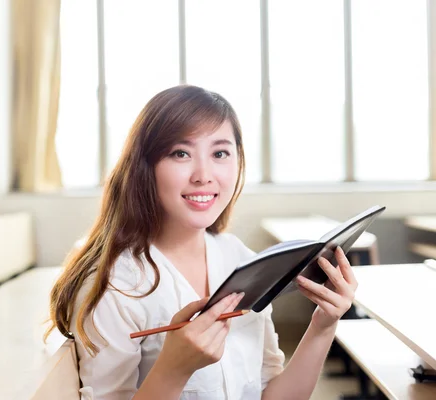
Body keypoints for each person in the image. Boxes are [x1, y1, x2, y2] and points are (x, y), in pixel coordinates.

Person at [46, 85, 358, 399]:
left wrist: (323, 325)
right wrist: (174, 369)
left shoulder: (240, 257)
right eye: (180, 153)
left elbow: (272, 394)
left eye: (220, 153)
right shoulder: (114, 285)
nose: (203, 175)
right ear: (145, 167)